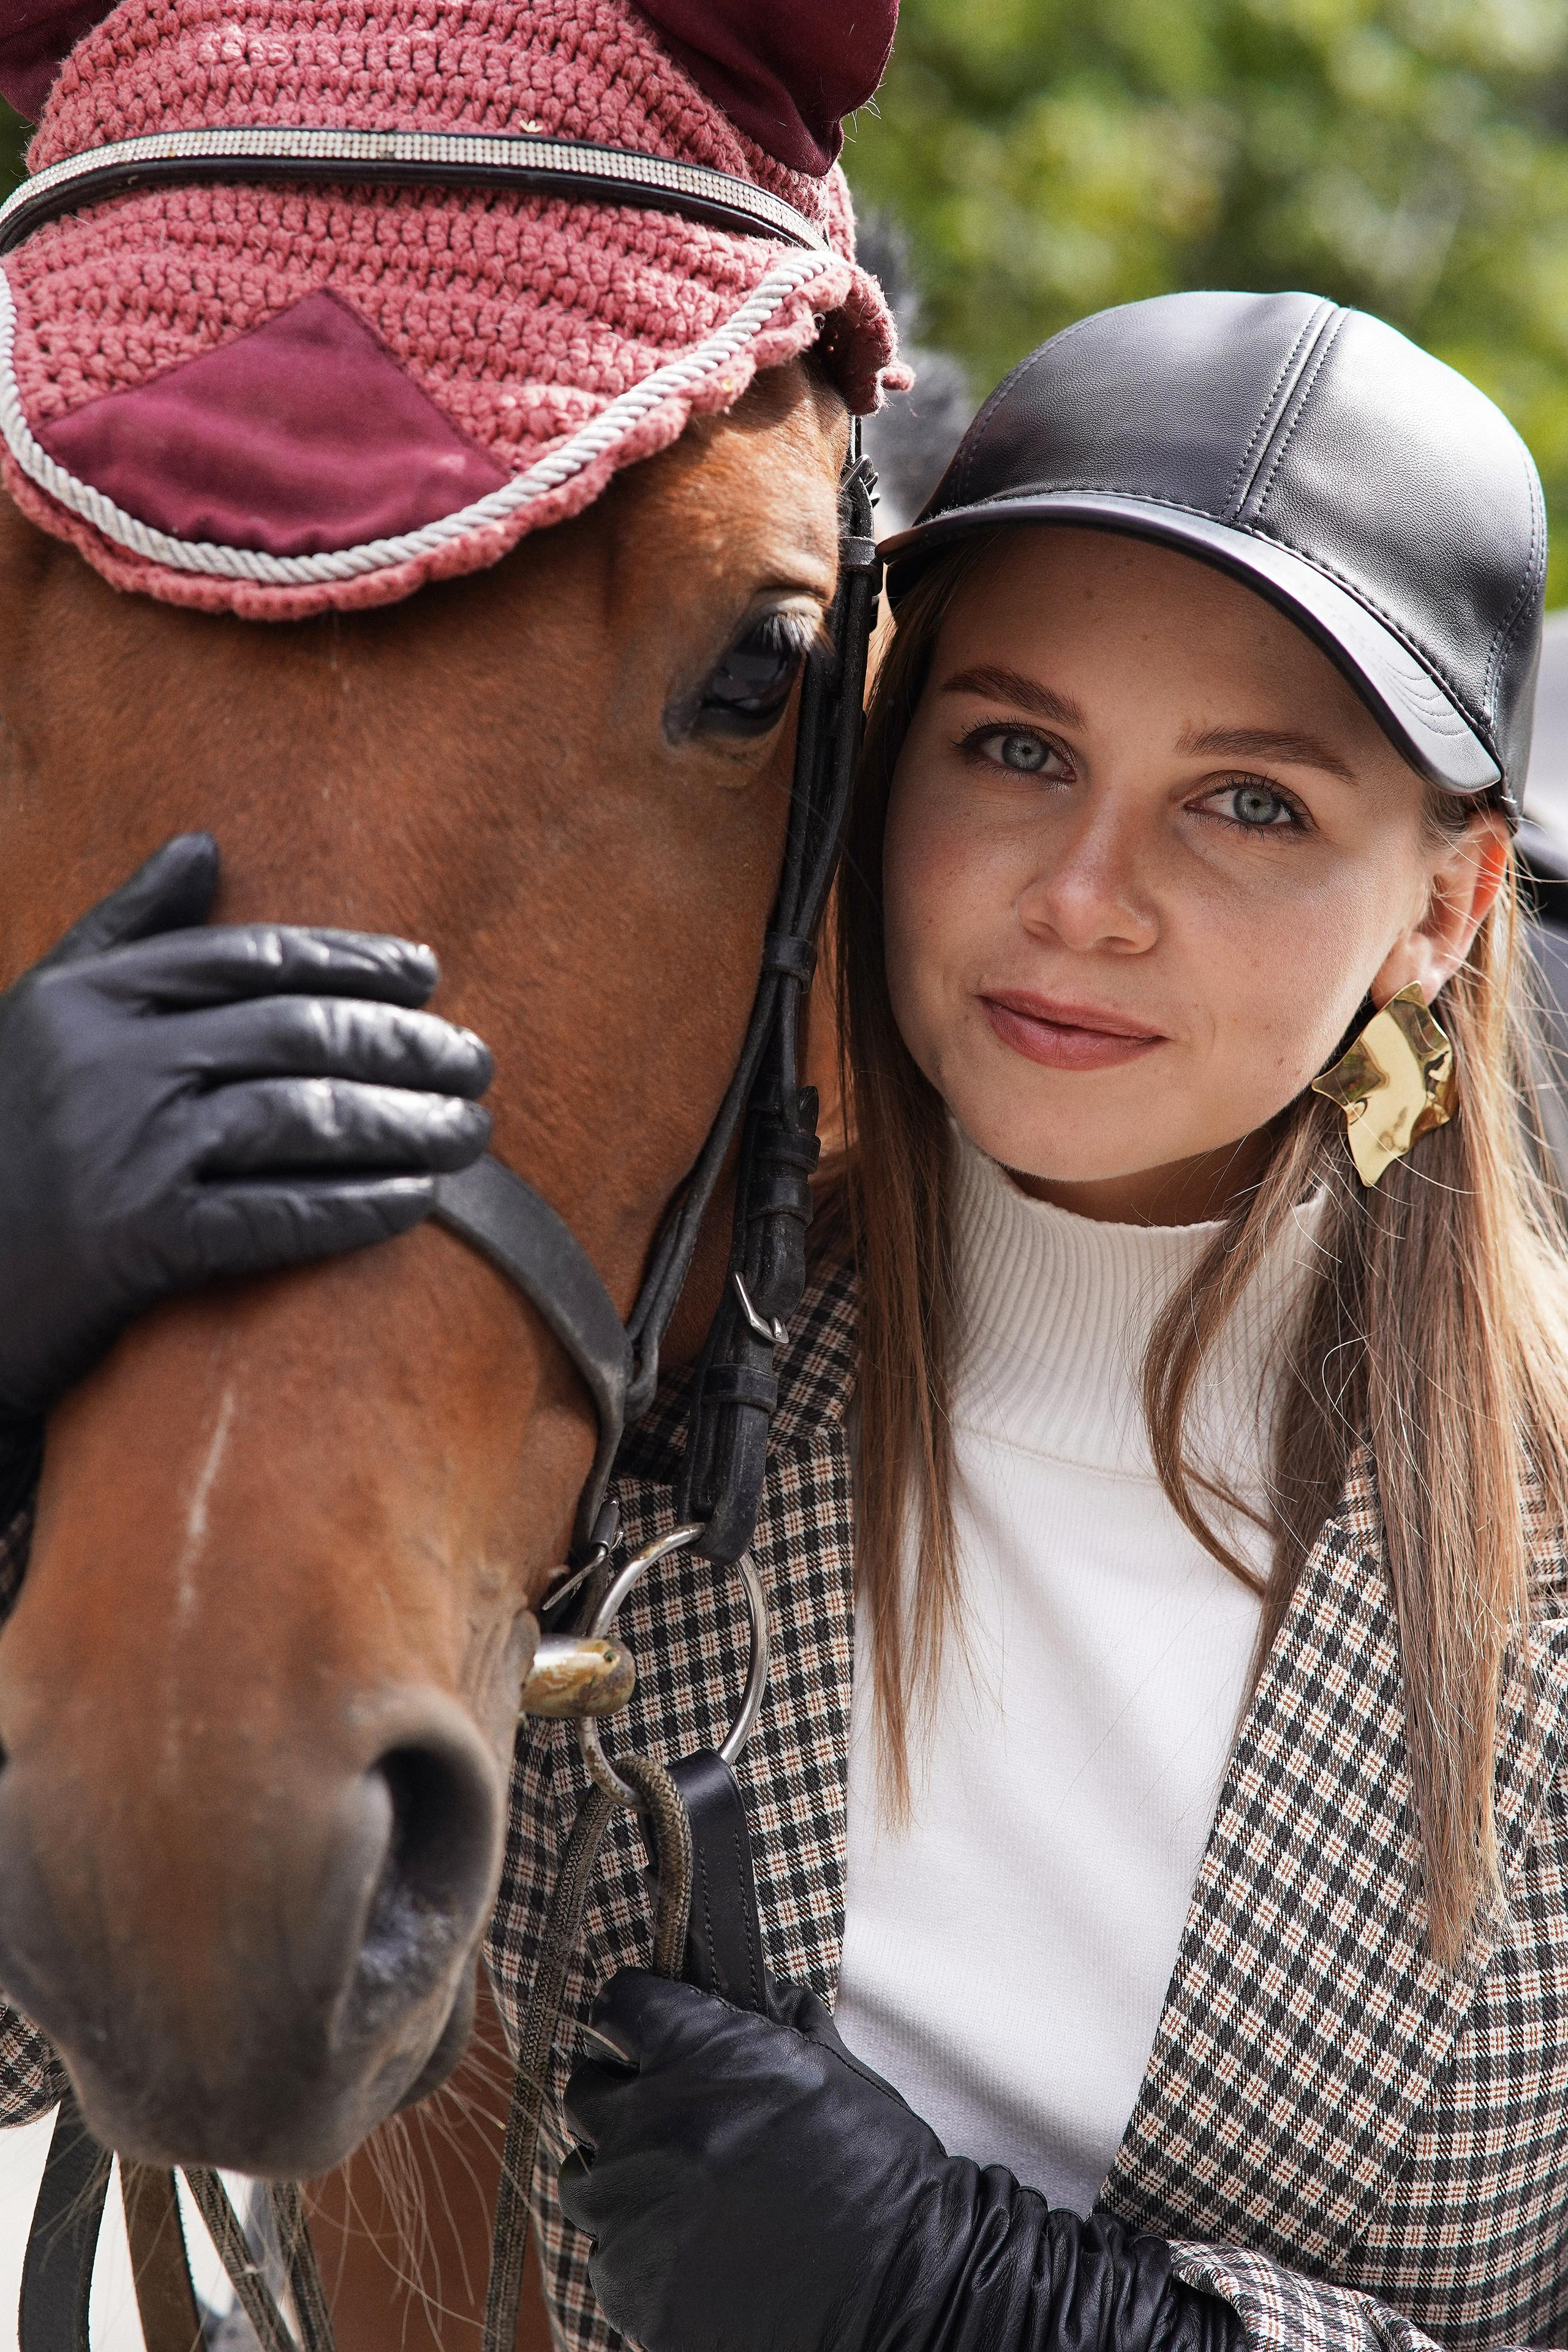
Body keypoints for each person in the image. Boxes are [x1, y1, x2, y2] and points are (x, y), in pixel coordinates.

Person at [2, 288, 1566, 2352]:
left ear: (1446, 906)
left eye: (1250, 801)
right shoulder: (628, 1390)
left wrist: (992, 2320)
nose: (1084, 893)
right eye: (1016, 748)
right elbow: (82, 2013)